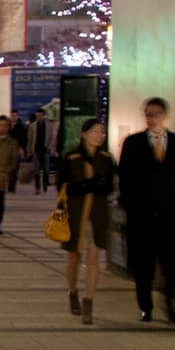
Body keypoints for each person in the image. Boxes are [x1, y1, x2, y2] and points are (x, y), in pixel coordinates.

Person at [118, 96, 175, 323]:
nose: (151, 119)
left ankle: (170, 306)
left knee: (171, 265)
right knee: (143, 266)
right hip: (142, 216)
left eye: (156, 114)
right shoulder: (133, 143)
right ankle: (146, 307)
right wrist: (129, 208)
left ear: (165, 116)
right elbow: (125, 178)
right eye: (148, 115)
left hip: (170, 215)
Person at [61, 119, 115, 325]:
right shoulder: (71, 157)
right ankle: (72, 291)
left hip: (98, 214)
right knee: (74, 256)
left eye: (102, 132)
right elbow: (64, 187)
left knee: (94, 258)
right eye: (94, 131)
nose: (99, 135)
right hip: (76, 214)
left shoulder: (106, 159)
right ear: (84, 134)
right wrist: (86, 185)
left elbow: (110, 187)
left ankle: (88, 301)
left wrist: (100, 186)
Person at [31, 108, 54, 194]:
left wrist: (49, 147)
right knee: (36, 169)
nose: (39, 117)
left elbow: (51, 137)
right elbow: (30, 139)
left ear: (44, 116)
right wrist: (29, 150)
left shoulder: (49, 125)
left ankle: (45, 185)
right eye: (37, 116)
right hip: (36, 149)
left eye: (40, 116)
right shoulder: (32, 125)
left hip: (45, 150)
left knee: (46, 169)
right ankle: (37, 187)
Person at [7, 111, 28, 193]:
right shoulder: (7, 126)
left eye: (15, 116)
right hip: (8, 150)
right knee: (8, 169)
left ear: (17, 116)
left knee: (15, 168)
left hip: (16, 150)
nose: (13, 117)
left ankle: (12, 187)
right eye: (12, 116)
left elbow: (23, 139)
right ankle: (9, 186)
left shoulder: (21, 127)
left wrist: (22, 149)